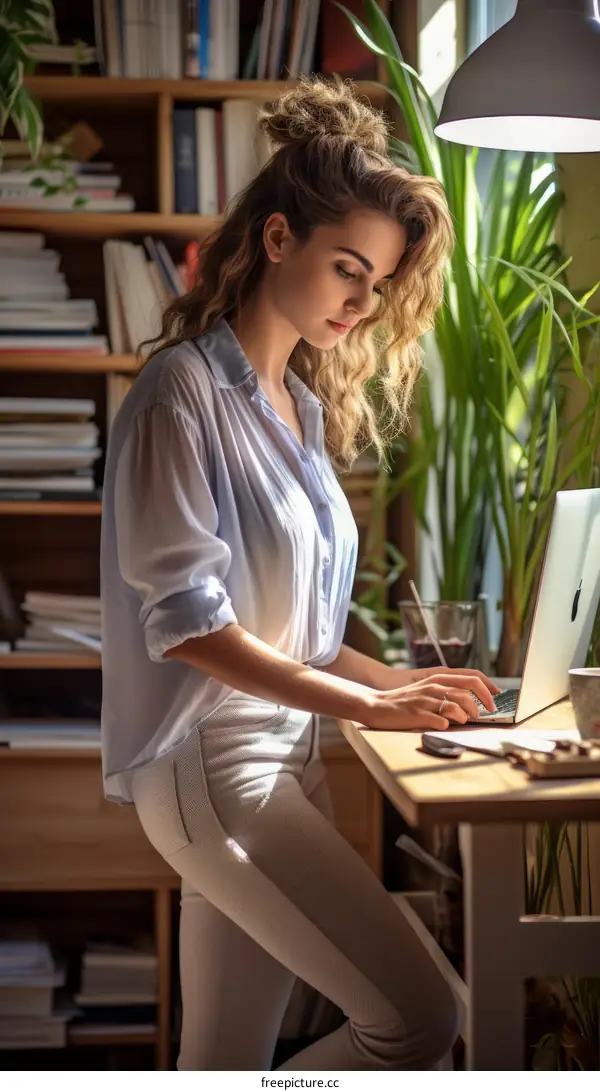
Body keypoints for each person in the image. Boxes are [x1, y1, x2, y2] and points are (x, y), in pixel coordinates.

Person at [100, 76, 501, 1071]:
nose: (365, 305)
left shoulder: (298, 409)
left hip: (289, 758)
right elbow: (191, 625)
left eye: (380, 282)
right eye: (348, 271)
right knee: (421, 1016)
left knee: (225, 1059)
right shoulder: (177, 394)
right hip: (214, 769)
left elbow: (300, 630)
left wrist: (393, 683)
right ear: (278, 241)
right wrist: (375, 710)